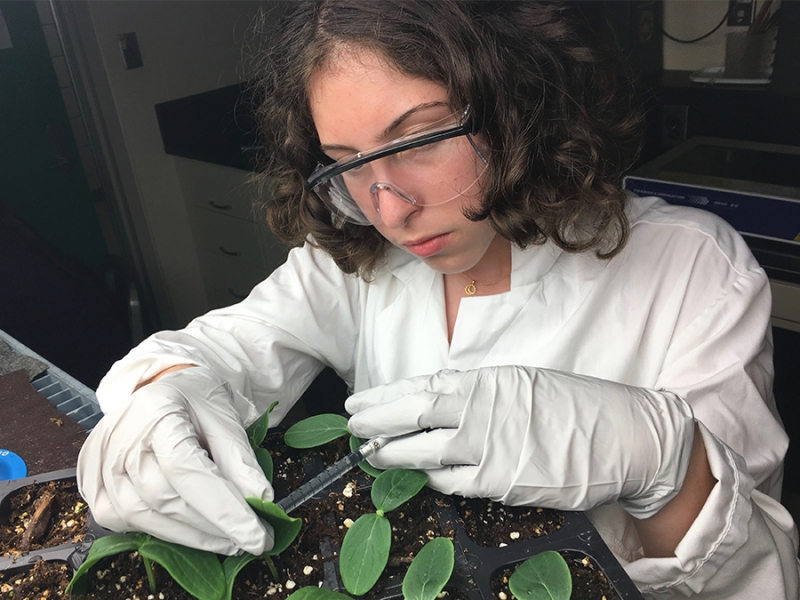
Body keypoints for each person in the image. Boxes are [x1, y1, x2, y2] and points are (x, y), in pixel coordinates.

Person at [77, 1, 800, 597]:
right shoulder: (359, 259)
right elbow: (234, 344)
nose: (389, 209)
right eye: (347, 164)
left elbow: (755, 577)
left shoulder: (693, 269)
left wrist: (665, 464)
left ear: (524, 99)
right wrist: (166, 390)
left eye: (422, 139)